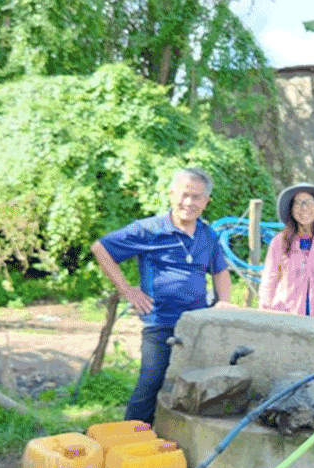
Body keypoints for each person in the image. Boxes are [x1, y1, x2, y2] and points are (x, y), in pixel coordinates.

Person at [90, 168, 231, 425]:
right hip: (161, 321)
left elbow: (220, 270)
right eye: (184, 194)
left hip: (197, 323)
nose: (189, 202)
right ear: (171, 194)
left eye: (196, 197)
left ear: (206, 201)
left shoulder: (208, 235)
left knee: (191, 382)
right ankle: (129, 436)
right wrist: (127, 290)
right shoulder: (149, 229)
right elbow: (101, 248)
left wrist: (224, 301)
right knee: (151, 381)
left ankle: (167, 435)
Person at [258, 183, 314, 318]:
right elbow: (270, 277)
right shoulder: (280, 241)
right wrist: (264, 309)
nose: (303, 208)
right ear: (291, 210)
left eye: (309, 202)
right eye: (297, 203)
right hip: (285, 316)